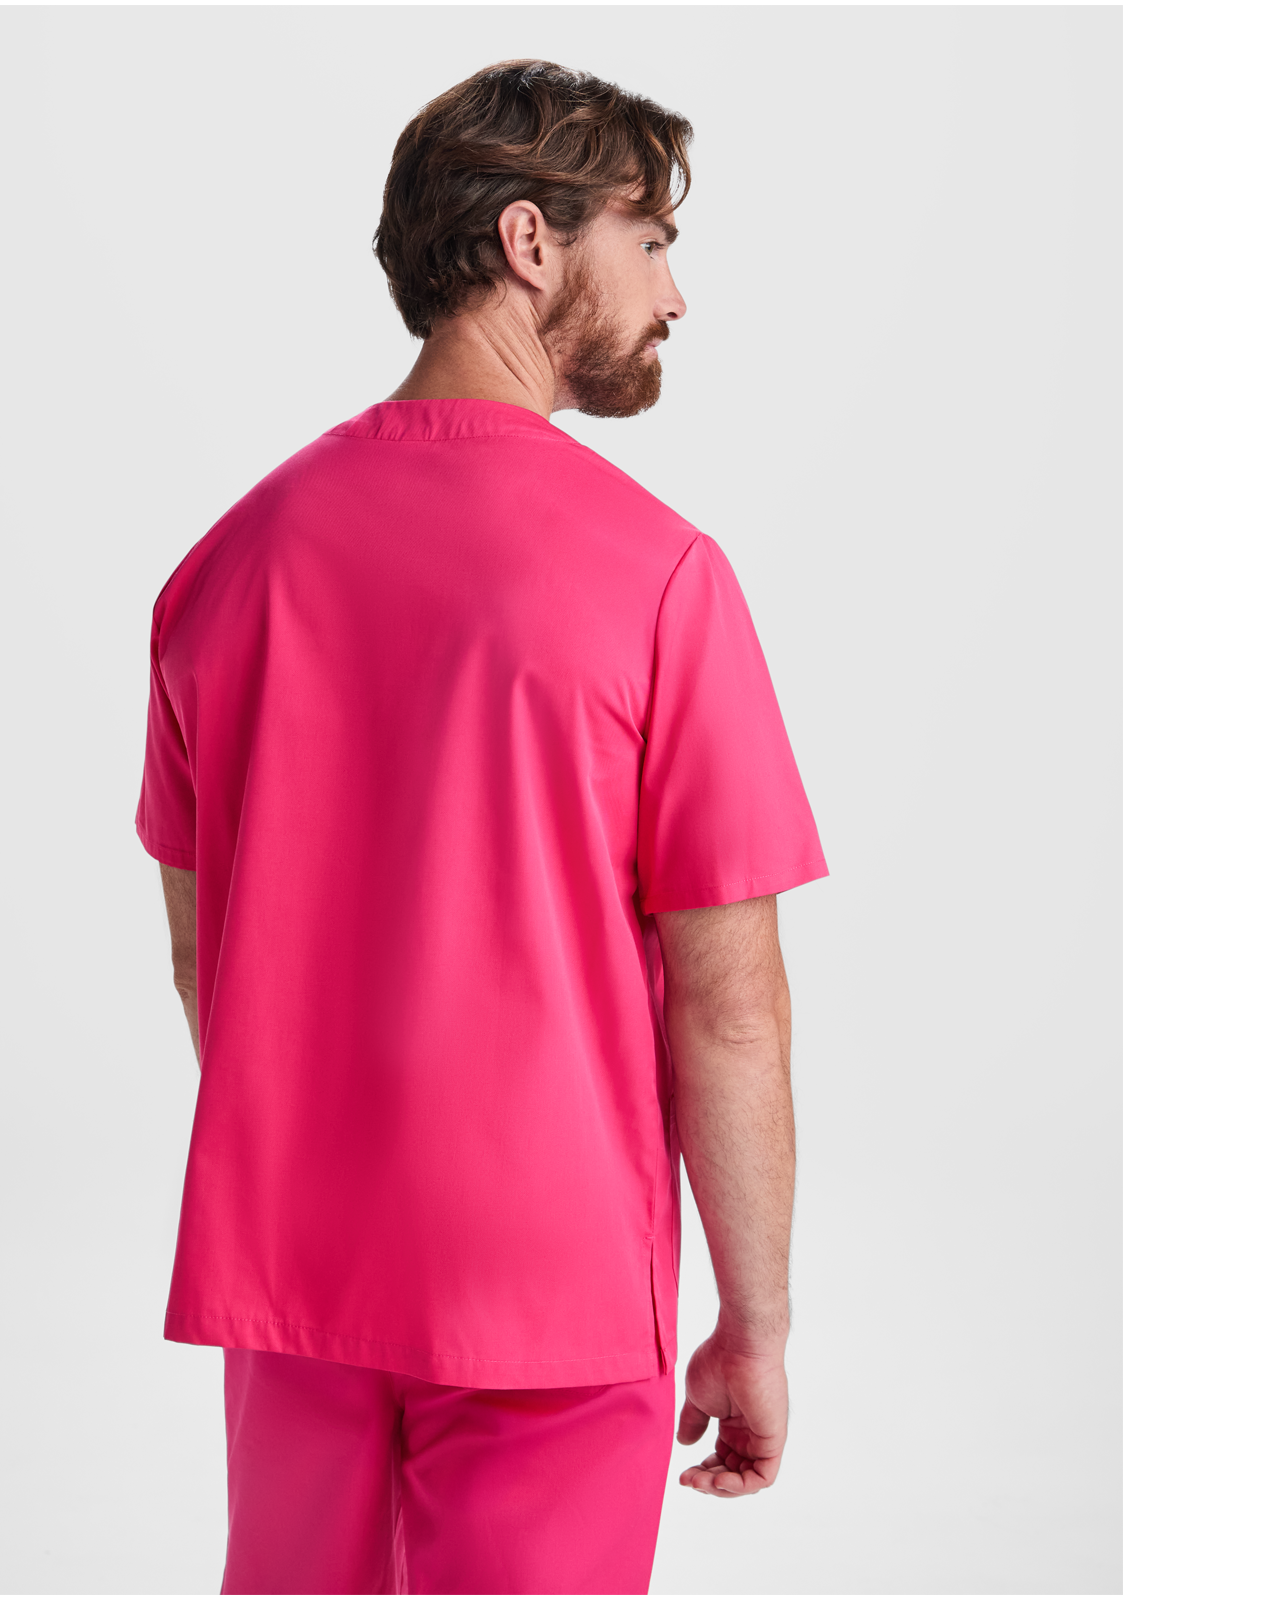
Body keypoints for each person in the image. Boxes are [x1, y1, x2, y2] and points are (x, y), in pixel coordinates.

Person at [136, 59, 828, 1595]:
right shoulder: (662, 580)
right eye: (651, 239)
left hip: (294, 1279)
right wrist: (756, 1324)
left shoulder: (223, 570)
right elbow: (730, 1007)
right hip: (553, 1295)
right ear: (530, 241)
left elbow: (204, 955)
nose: (675, 293)